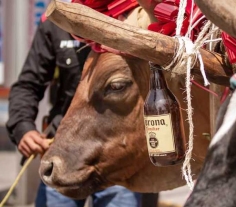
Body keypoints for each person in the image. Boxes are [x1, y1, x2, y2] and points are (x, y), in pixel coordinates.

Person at [6, 14, 141, 207]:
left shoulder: (135, 16)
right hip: (64, 153)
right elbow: (28, 85)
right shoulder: (56, 21)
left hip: (118, 156)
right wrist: (23, 128)